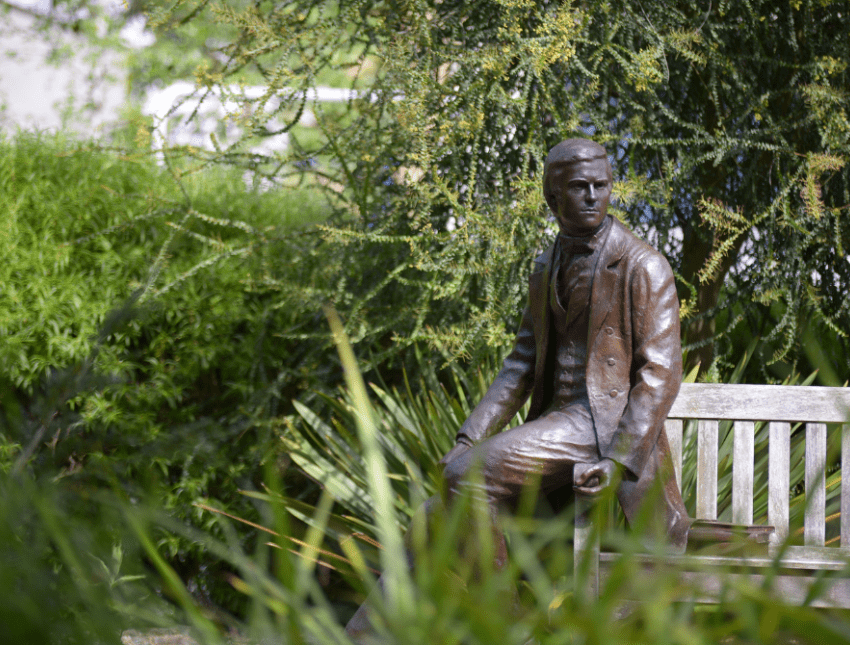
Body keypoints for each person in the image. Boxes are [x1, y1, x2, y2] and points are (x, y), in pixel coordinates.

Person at [345, 138, 689, 638]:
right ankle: (363, 634)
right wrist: (469, 436)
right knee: (435, 511)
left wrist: (618, 459)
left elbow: (660, 374)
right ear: (553, 197)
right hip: (558, 423)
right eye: (579, 187)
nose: (593, 196)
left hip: (602, 429)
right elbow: (520, 365)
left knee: (467, 478)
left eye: (601, 185)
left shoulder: (642, 265)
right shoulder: (545, 265)